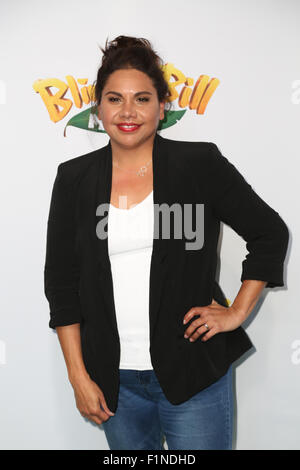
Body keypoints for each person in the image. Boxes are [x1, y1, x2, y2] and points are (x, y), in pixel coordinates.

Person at [44, 35, 289, 450]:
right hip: (113, 381)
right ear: (98, 107)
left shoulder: (199, 165)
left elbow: (269, 233)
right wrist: (78, 377)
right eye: (114, 98)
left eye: (142, 99)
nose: (127, 112)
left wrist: (237, 312)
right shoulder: (74, 179)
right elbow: (62, 285)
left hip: (194, 372)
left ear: (162, 106)